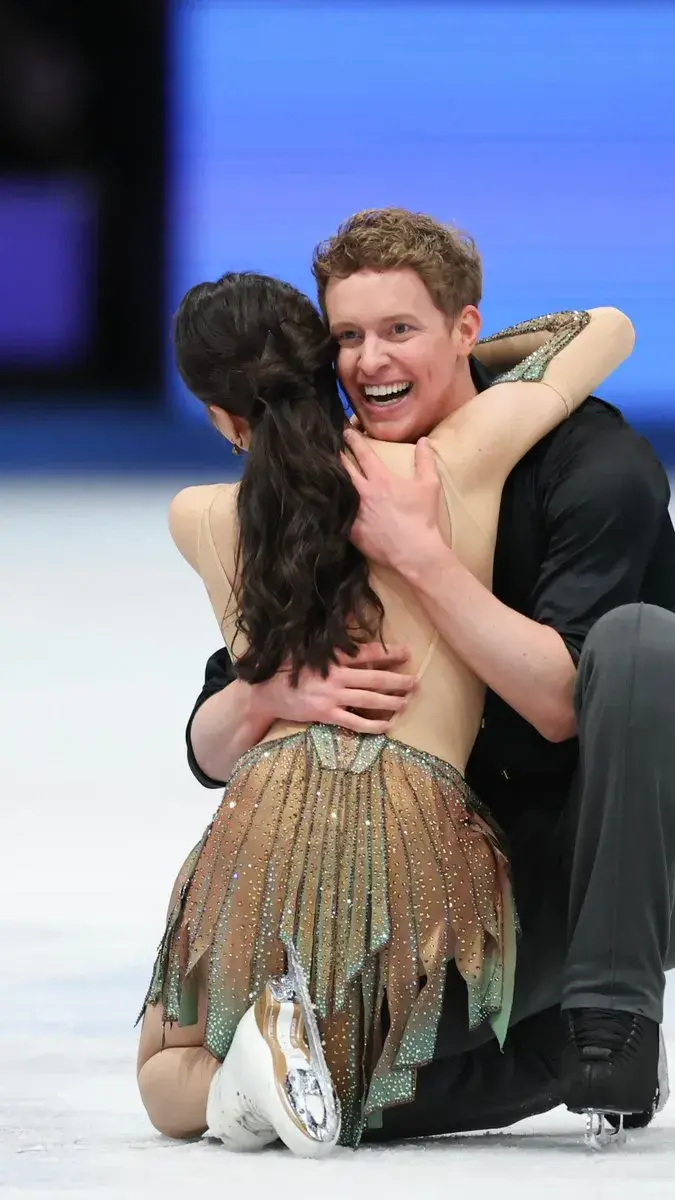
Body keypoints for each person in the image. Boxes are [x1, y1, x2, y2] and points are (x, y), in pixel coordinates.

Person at [181, 209, 675, 1142]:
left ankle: (611, 1016)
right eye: (347, 337)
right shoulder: (335, 479)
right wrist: (266, 694)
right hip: (454, 869)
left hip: (616, 852)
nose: (369, 361)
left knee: (640, 644)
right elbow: (210, 742)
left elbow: (564, 704)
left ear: (465, 329)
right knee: (253, 1064)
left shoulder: (592, 464)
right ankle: (548, 1050)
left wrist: (420, 557)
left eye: (399, 329)